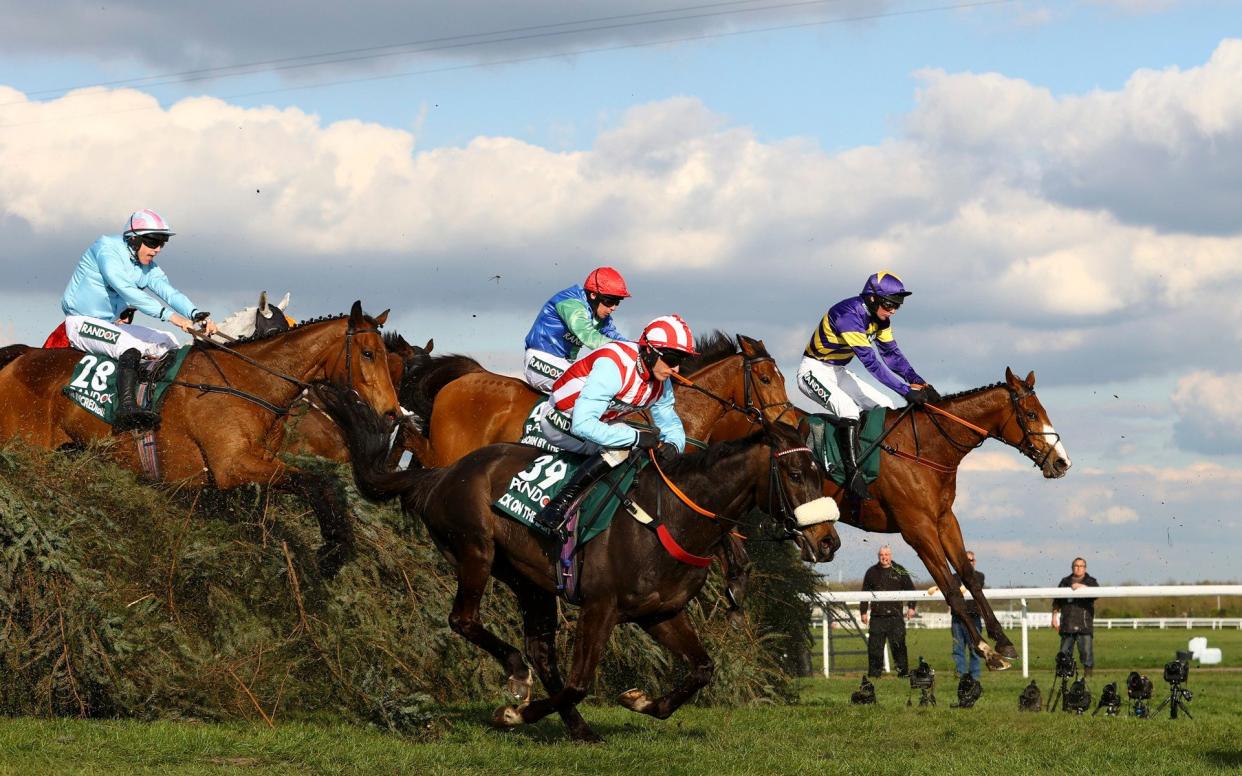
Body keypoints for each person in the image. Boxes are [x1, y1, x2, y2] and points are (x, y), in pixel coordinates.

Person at [531, 315, 694, 534]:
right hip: (560, 420)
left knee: (644, 446)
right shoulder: (613, 365)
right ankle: (558, 505)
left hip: (601, 420)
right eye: (672, 358)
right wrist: (635, 438)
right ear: (648, 351)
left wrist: (675, 444)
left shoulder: (661, 381)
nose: (676, 369)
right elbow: (582, 425)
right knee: (627, 444)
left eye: (681, 361)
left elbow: (668, 418)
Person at [60, 209, 218, 431]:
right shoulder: (107, 249)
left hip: (109, 324)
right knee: (130, 346)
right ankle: (126, 409)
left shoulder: (147, 267)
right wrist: (170, 316)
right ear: (133, 239)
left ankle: (157, 401)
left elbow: (168, 292)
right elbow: (127, 291)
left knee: (168, 342)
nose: (158, 249)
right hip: (80, 321)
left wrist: (196, 314)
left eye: (162, 242)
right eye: (153, 241)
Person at [796, 271, 937, 499]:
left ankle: (873, 460)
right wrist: (905, 391)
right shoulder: (848, 314)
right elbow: (872, 364)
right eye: (890, 304)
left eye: (897, 306)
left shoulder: (881, 320)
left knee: (885, 406)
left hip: (838, 371)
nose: (893, 310)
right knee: (849, 410)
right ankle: (851, 472)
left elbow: (892, 355)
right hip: (812, 371)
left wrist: (918, 382)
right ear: (872, 298)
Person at [523, 266, 629, 391]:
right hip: (539, 361)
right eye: (609, 301)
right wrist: (623, 351)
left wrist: (638, 348)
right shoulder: (572, 303)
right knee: (594, 387)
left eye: (617, 302)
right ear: (594, 295)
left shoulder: (599, 313)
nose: (613, 308)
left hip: (564, 364)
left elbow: (613, 335)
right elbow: (588, 335)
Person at [859, 545, 917, 677]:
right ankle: (874, 675)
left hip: (895, 617)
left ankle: (903, 674)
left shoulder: (900, 570)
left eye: (886, 555)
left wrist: (911, 607)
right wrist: (863, 612)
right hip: (877, 617)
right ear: (878, 556)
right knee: (875, 648)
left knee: (899, 647)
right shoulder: (871, 572)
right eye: (881, 555)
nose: (884, 557)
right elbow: (864, 593)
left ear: (891, 556)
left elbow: (911, 590)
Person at [1052, 557, 1099, 676]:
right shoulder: (1065, 581)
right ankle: (1064, 676)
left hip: (1084, 624)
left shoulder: (1091, 581)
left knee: (1086, 654)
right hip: (1067, 624)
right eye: (1076, 566)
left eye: (1081, 566)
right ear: (1072, 567)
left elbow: (1096, 594)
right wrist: (1054, 616)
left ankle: (1088, 677)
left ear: (1085, 568)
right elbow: (1057, 600)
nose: (1078, 568)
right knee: (1064, 653)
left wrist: (1082, 587)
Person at [950, 550, 985, 680]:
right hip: (957, 618)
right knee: (958, 648)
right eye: (965, 561)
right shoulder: (953, 577)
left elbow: (973, 586)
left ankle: (974, 676)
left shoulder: (979, 576)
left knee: (975, 648)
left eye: (970, 560)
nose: (968, 563)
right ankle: (961, 674)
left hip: (973, 617)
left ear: (974, 562)